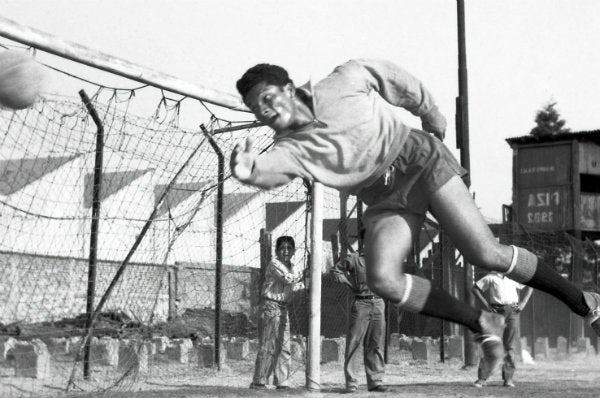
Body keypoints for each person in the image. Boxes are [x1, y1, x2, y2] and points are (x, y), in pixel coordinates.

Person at [231, 58, 600, 378]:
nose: (264, 111)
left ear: (289, 88)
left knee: (486, 255)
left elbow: (388, 76)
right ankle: (481, 322)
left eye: (267, 99)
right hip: (385, 198)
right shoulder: (289, 147)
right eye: (255, 109)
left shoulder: (340, 82)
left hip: (419, 161)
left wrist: (428, 110)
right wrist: (251, 172)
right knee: (383, 280)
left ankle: (585, 301)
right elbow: (271, 170)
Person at [330, 228, 388, 393]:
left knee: (376, 343)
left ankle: (376, 381)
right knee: (355, 343)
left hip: (378, 304)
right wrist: (349, 284)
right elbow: (336, 270)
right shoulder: (354, 259)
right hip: (361, 304)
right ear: (363, 241)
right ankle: (351, 383)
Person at [250, 235, 305, 390]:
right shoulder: (274, 264)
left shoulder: (294, 267)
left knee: (284, 346)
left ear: (294, 251)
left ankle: (282, 382)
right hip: (271, 306)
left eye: (289, 248)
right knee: (269, 345)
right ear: (277, 251)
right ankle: (259, 381)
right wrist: (306, 274)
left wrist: (304, 283)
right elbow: (289, 279)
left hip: (283, 308)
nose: (286, 251)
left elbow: (294, 286)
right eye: (282, 248)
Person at [472, 271, 533, 388]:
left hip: (513, 312)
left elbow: (531, 284)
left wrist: (523, 302)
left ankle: (508, 379)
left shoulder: (514, 277)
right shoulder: (491, 277)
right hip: (496, 311)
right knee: (490, 343)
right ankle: (482, 378)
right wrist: (486, 305)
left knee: (510, 346)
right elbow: (475, 289)